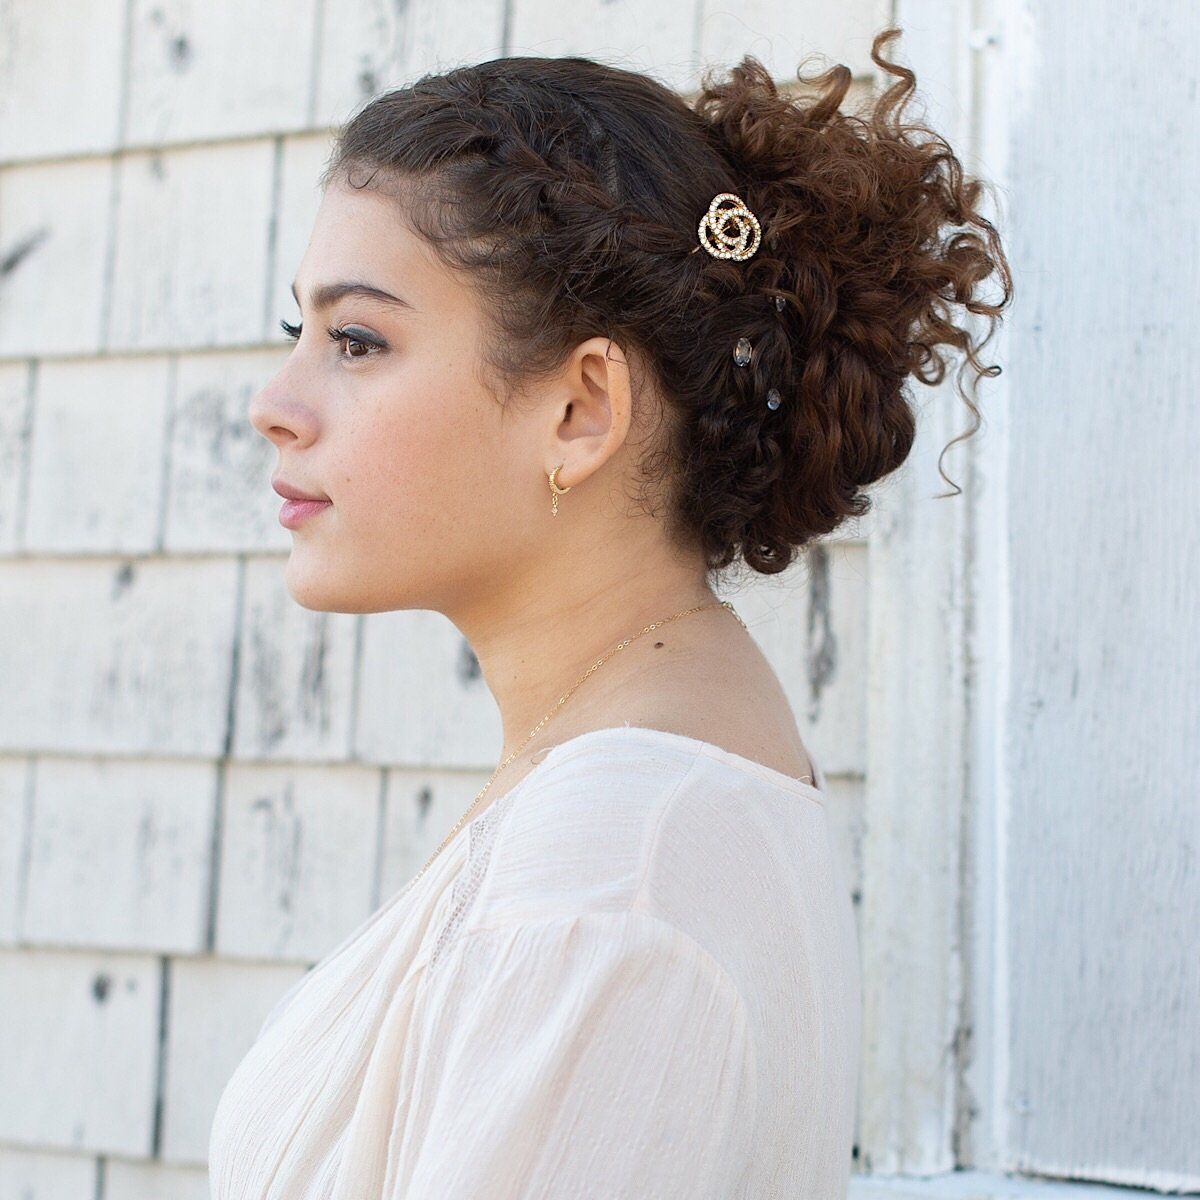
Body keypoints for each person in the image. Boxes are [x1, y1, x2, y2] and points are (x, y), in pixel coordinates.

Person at [211, 27, 1012, 1199]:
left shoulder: (602, 889)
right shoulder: (637, 792)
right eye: (302, 332)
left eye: (357, 340)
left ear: (582, 409)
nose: (275, 403)